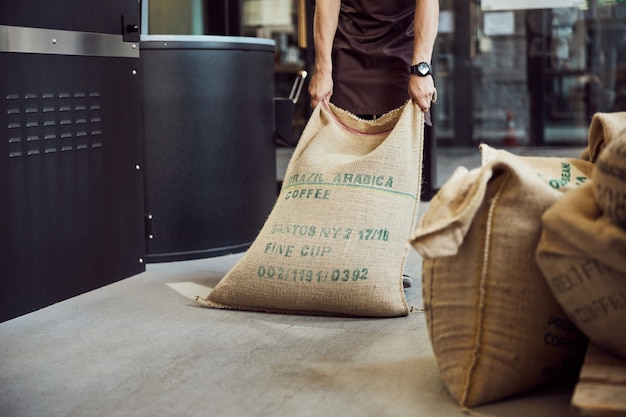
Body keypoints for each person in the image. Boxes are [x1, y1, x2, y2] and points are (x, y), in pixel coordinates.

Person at [308, 0, 439, 120]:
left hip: (403, 46)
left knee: (404, 133)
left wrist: (421, 71)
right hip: (349, 46)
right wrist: (322, 70)